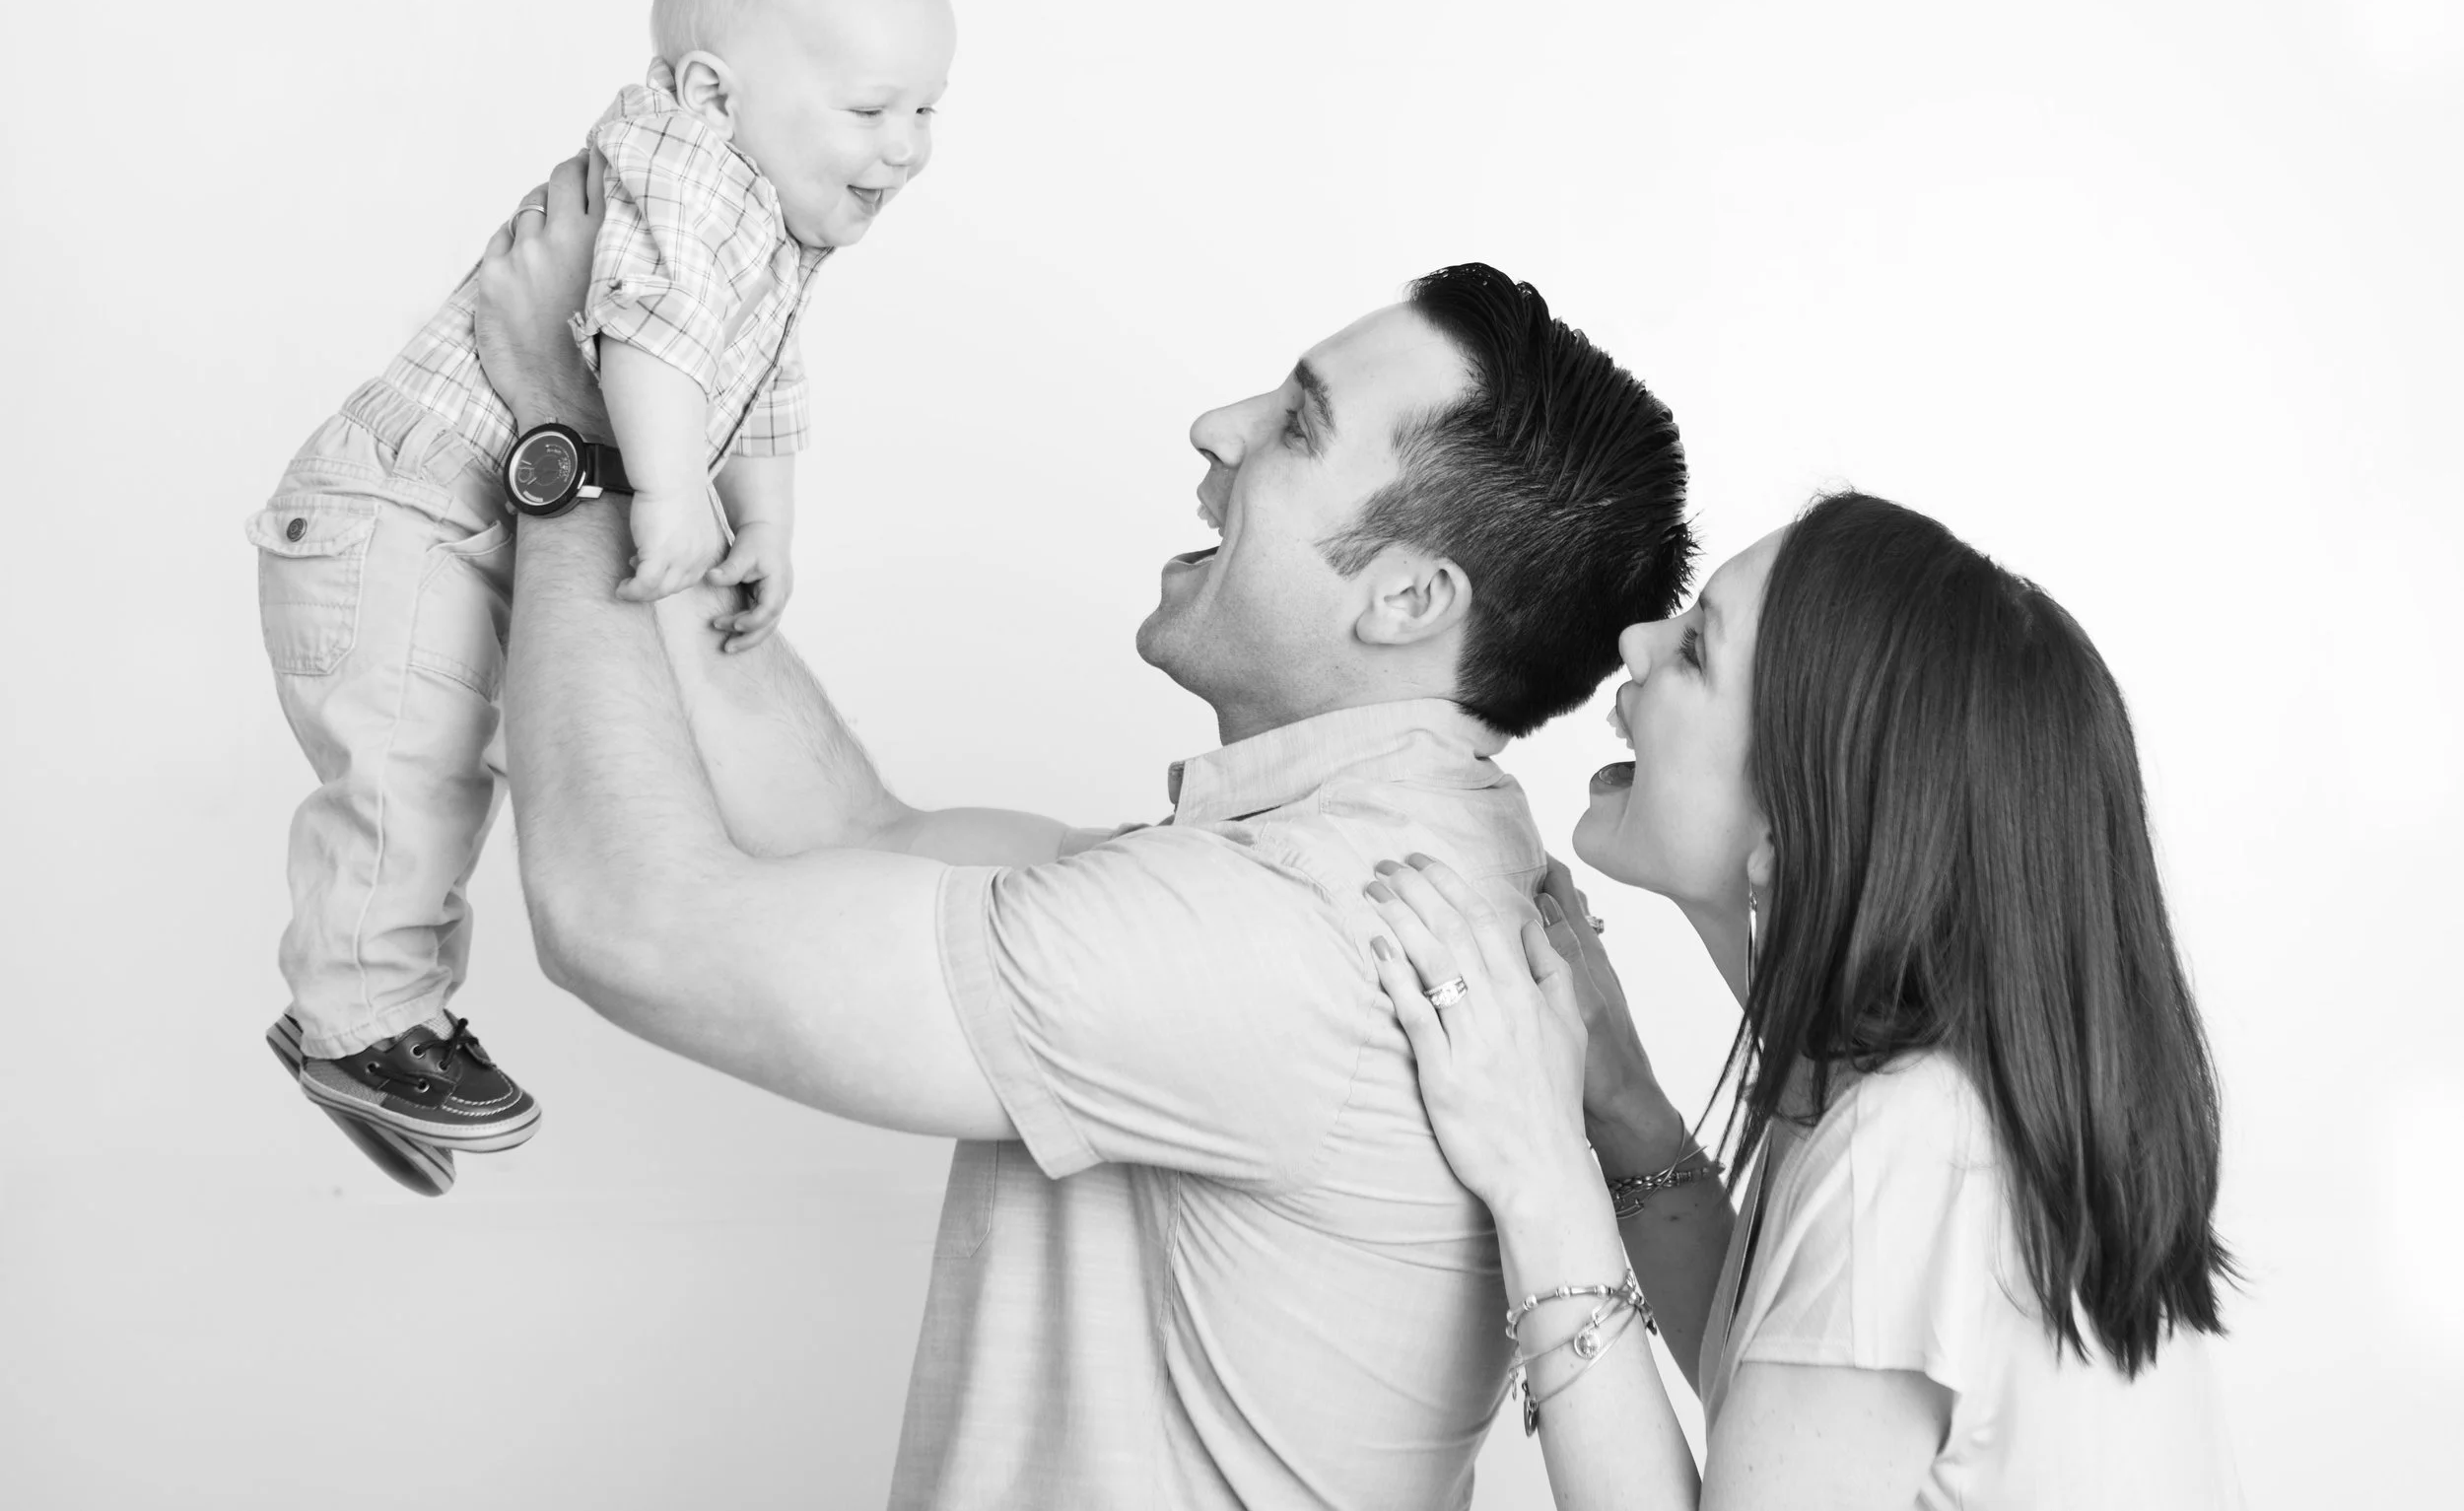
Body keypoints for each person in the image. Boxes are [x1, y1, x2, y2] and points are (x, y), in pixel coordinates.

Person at [467, 153, 1695, 1508]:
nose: (1217, 426)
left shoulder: (1282, 931)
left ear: (1407, 600)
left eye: (1297, 427)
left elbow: (627, 925)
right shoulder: (1375, 853)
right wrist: (653, 461)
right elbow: (856, 830)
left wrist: (563, 450)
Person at [246, 0, 955, 1192]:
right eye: (872, 110)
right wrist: (670, 494)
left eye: (927, 110)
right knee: (412, 770)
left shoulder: (762, 220)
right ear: (714, 90)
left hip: (465, 523)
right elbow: (651, 339)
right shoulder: (686, 171)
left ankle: (370, 1017)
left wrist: (764, 519)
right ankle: (358, 1019)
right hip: (399, 516)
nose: (908, 147)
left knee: (475, 769)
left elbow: (762, 380)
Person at [1363, 493, 2245, 1508]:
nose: (1636, 642)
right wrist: (1625, 1111)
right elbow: (1790, 1411)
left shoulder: (1911, 1156)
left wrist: (1537, 1178)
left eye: (1696, 650)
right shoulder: (1906, 1105)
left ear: (1790, 832)